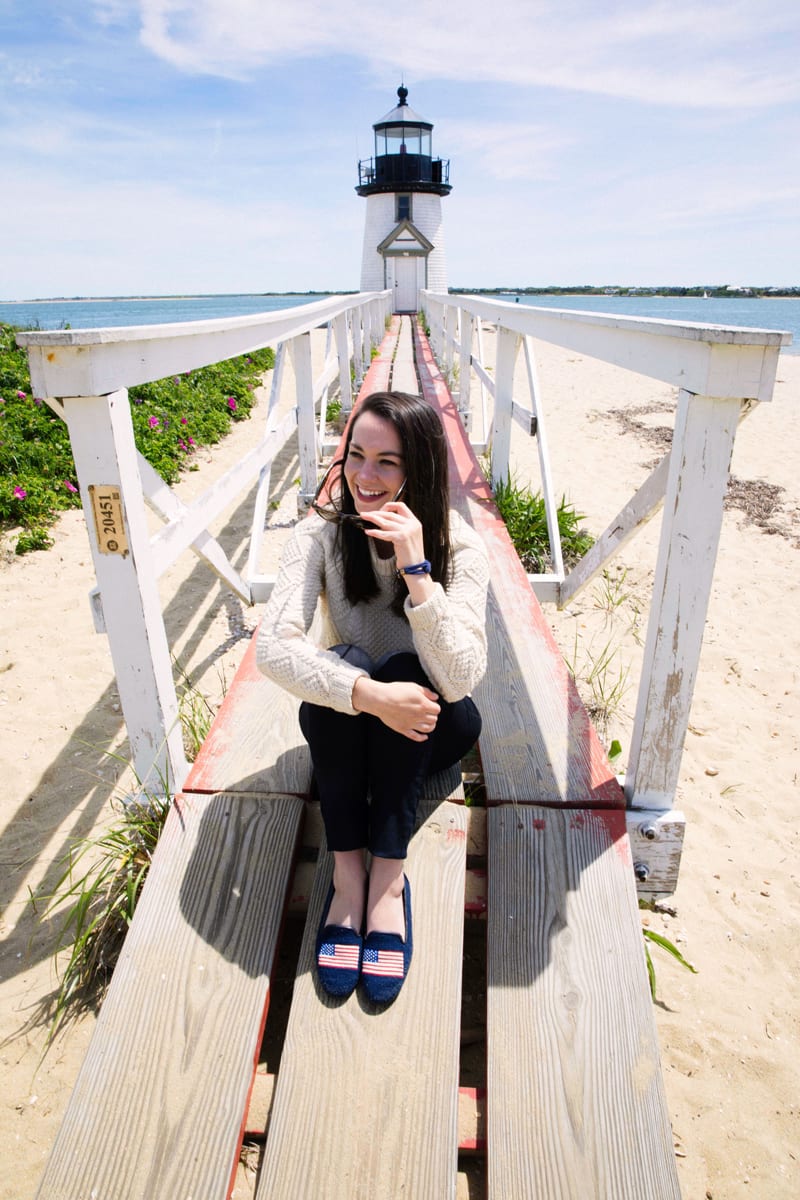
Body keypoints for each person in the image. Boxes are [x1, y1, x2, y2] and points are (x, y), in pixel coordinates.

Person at [256, 390, 489, 1003]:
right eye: (357, 455)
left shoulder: (460, 546)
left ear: (420, 469)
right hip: (362, 718)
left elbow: (460, 677)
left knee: (414, 666)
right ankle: (349, 874)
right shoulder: (321, 534)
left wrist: (418, 573)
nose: (365, 476)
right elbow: (272, 648)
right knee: (347, 666)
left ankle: (388, 883)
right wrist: (367, 694)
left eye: (388, 461)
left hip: (430, 723)